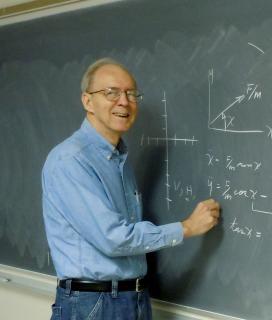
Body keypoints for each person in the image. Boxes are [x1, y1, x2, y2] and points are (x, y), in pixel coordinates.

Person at [42, 57, 220, 320]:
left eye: (131, 93)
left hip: (131, 299)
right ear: (87, 101)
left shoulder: (117, 159)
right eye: (111, 92)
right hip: (95, 305)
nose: (124, 101)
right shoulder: (71, 160)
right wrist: (187, 228)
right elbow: (113, 239)